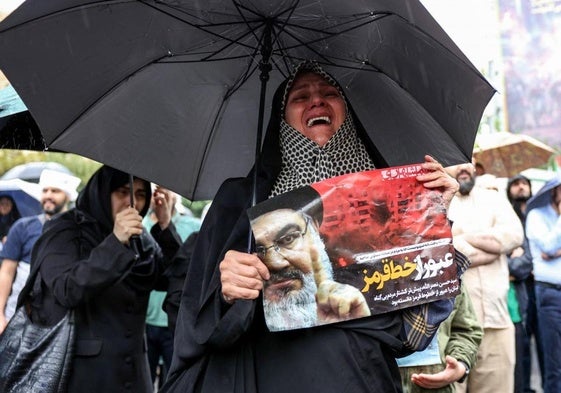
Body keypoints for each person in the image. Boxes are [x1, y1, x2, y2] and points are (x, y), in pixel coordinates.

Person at [161, 61, 468, 393]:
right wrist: (225, 291)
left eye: (330, 93)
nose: (316, 101)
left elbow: (412, 334)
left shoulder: (389, 200)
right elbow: (193, 318)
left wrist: (432, 221)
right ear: (282, 119)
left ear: (347, 112)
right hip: (266, 378)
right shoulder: (238, 199)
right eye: (300, 96)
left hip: (361, 378)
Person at [26, 165, 182, 393]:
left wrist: (165, 225)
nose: (132, 203)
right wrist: (116, 243)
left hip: (134, 373)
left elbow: (168, 279)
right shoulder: (66, 230)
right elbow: (67, 289)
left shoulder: (140, 237)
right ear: (101, 192)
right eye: (122, 192)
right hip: (82, 374)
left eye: (140, 195)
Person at [447, 162, 524, 393]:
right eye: (455, 163)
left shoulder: (493, 198)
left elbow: (513, 235)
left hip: (496, 323)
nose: (464, 168)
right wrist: (492, 249)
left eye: (467, 161)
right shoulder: (435, 201)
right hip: (453, 330)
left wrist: (461, 238)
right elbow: (444, 252)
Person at [250, 199, 370, 331]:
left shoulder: (375, 286)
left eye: (288, 239)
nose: (275, 263)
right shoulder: (242, 304)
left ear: (314, 227)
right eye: (259, 249)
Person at [0, 169, 80, 334]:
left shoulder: (77, 230)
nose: (48, 195)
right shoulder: (22, 227)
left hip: (59, 322)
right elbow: (7, 272)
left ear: (67, 195)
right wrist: (0, 313)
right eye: (45, 190)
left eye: (55, 191)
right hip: (18, 314)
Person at [143, 190, 201, 388]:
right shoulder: (136, 225)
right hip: (145, 322)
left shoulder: (195, 228)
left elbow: (183, 269)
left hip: (176, 327)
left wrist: (166, 224)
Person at [398, 283, 483, 393]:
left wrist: (460, 364)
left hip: (435, 386)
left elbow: (465, 330)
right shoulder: (372, 274)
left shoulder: (446, 273)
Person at [506, 173, 543, 393]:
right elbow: (518, 265)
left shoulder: (537, 215)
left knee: (545, 342)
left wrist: (517, 260)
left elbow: (525, 259)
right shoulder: (507, 217)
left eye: (524, 184)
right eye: (516, 184)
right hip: (521, 288)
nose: (521, 187)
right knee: (522, 342)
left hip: (541, 286)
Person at [525, 176, 561, 393]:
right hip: (550, 292)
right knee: (554, 358)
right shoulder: (537, 216)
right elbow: (547, 246)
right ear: (554, 191)